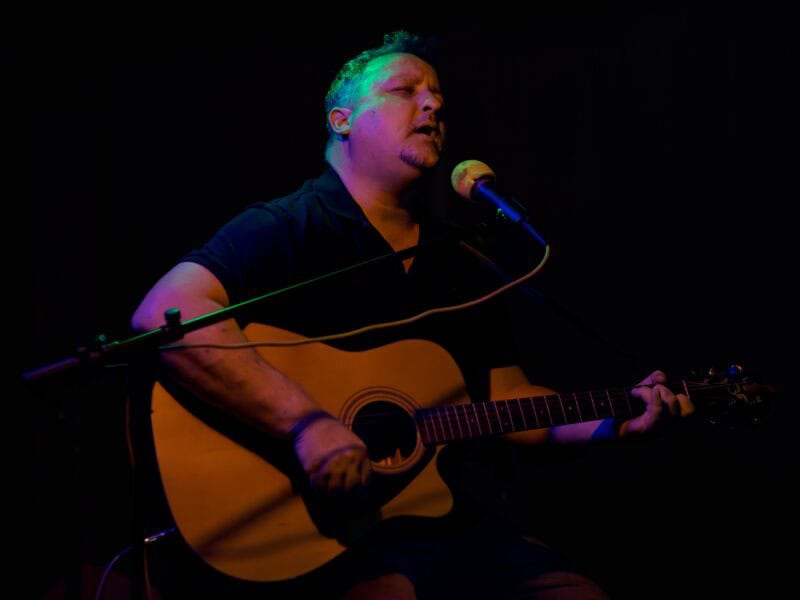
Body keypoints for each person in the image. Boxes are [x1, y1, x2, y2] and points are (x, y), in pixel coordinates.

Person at [132, 31, 693, 599]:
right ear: (342, 120)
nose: (433, 105)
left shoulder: (463, 260)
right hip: (314, 532)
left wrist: (615, 420)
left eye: (438, 96)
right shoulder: (287, 226)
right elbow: (163, 313)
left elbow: (508, 403)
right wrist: (305, 424)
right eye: (405, 90)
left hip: (442, 524)